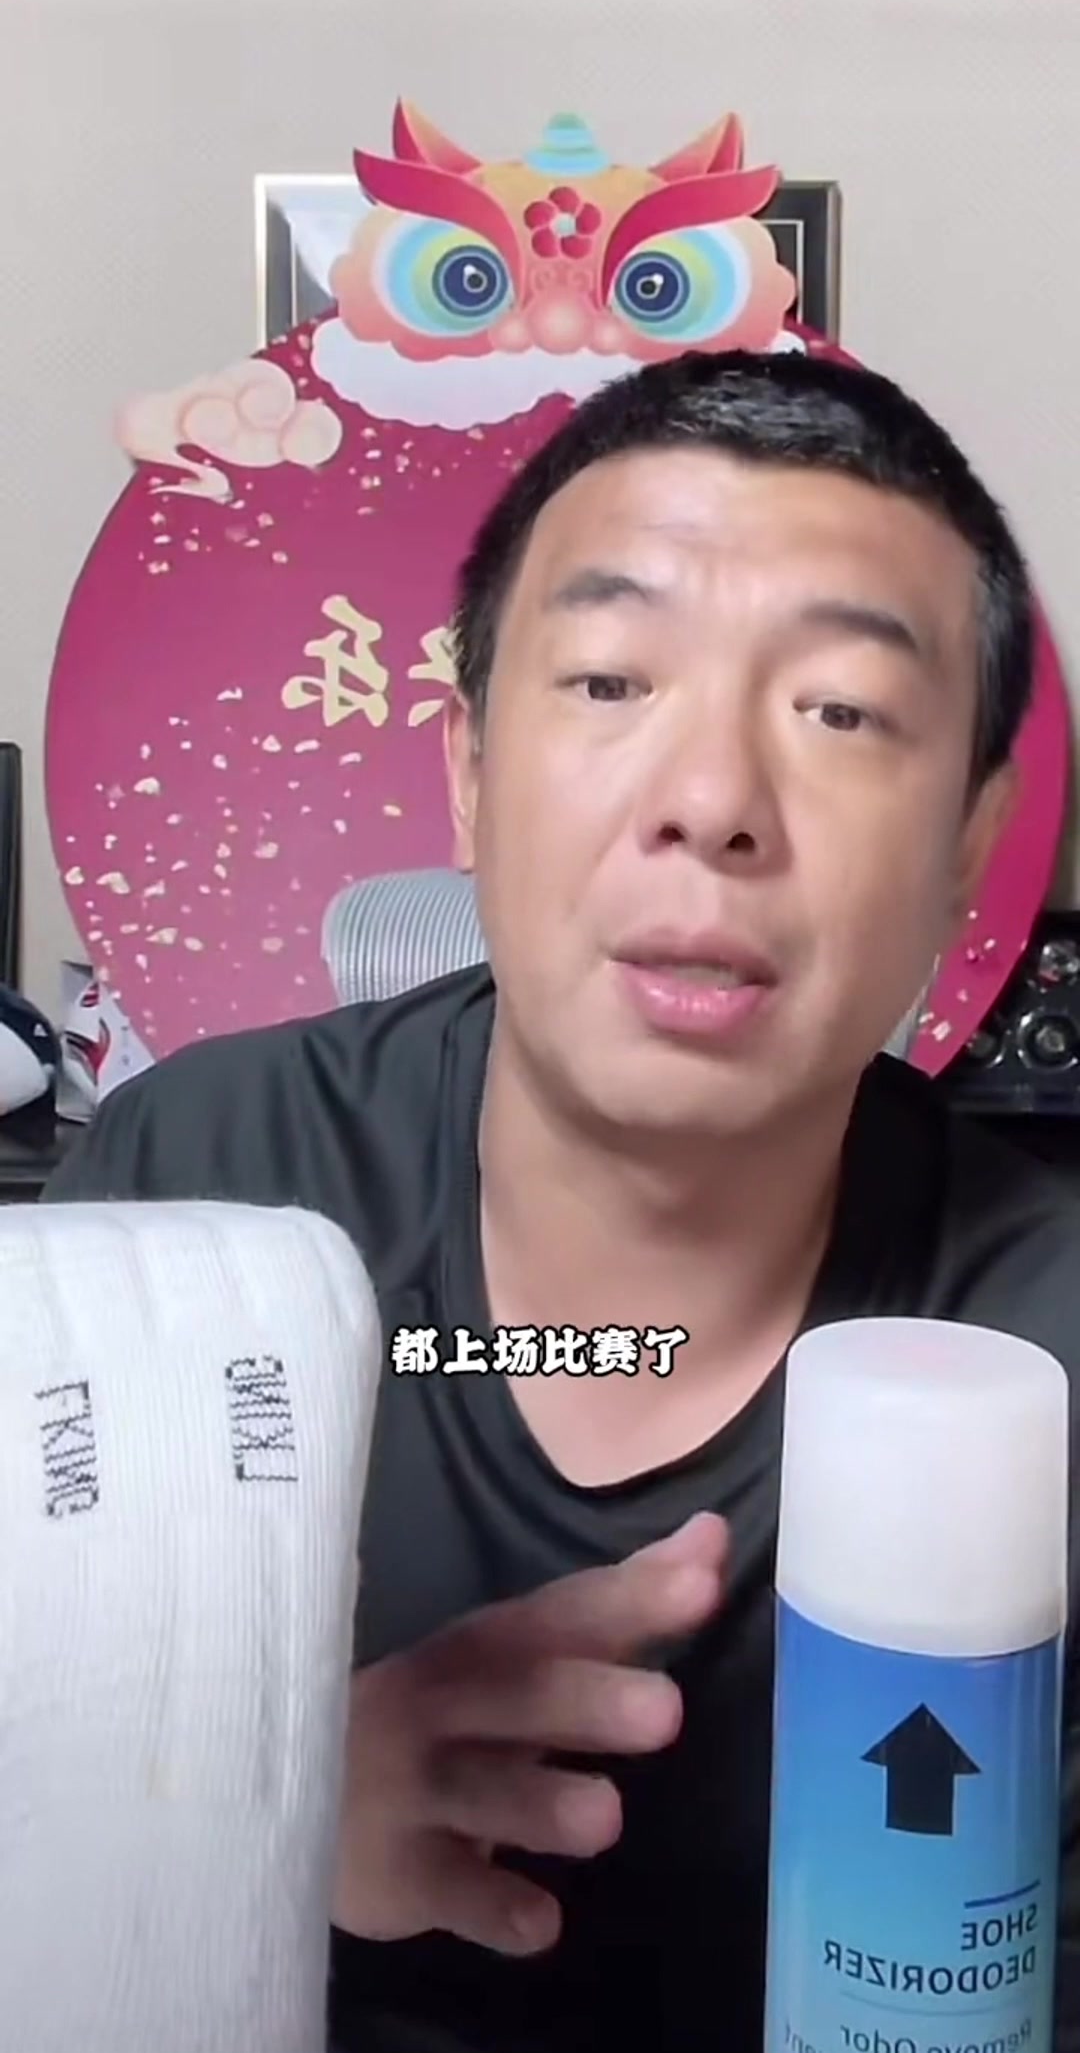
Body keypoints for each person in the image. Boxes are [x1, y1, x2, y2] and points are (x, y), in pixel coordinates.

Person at [44, 349, 1080, 2053]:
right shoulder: (196, 1194)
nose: (711, 802)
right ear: (466, 770)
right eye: (608, 679)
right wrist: (250, 1820)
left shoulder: (1044, 1348)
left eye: (839, 711)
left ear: (971, 841)